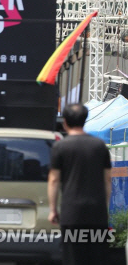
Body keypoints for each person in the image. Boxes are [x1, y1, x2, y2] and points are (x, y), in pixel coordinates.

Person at [48, 103, 112, 265]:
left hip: (72, 213)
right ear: (84, 120)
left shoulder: (60, 146)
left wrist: (53, 209)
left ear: (65, 122)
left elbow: (54, 180)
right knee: (96, 258)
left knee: (73, 257)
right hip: (97, 213)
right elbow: (107, 180)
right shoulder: (99, 146)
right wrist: (104, 207)